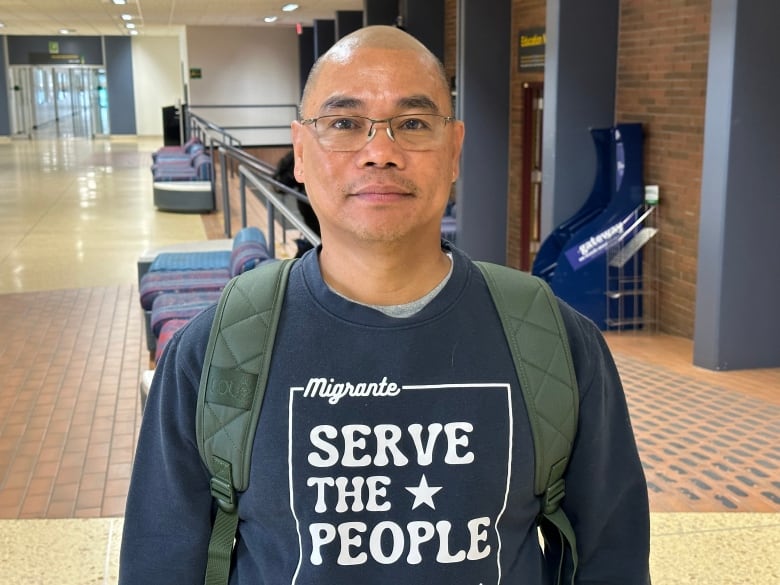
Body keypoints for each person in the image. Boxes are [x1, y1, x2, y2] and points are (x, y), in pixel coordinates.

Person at [119, 25, 650, 584]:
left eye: (414, 123)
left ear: (454, 152)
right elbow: (161, 563)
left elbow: (609, 558)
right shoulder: (212, 353)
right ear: (300, 151)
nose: (380, 153)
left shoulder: (555, 343)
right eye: (345, 123)